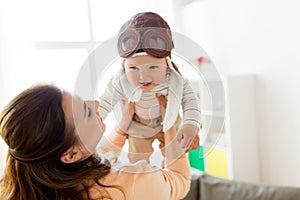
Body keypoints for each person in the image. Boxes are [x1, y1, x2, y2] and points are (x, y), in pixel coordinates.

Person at [0, 83, 190, 200]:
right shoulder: (137, 183)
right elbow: (180, 180)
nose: (96, 104)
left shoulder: (21, 186)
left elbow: (96, 157)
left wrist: (122, 129)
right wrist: (170, 125)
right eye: (87, 112)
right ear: (70, 155)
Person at [98, 12, 201, 163]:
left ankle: (171, 176)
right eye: (133, 68)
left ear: (166, 63)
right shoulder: (121, 81)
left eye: (153, 67)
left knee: (176, 156)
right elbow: (106, 101)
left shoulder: (174, 80)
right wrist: (96, 118)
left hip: (170, 119)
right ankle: (144, 178)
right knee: (137, 160)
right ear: (124, 66)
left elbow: (191, 101)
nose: (143, 77)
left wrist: (191, 124)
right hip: (139, 125)